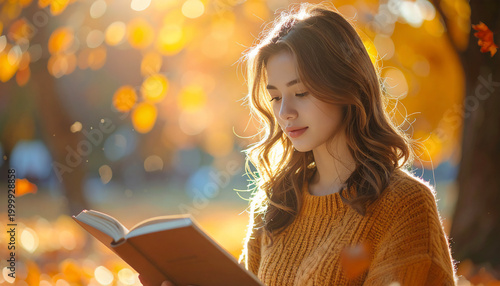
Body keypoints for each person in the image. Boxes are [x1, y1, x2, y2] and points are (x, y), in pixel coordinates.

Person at [140, 2, 457, 285]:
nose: (285, 112)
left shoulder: (404, 204)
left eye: (301, 93)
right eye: (276, 97)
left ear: (347, 84)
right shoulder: (276, 203)